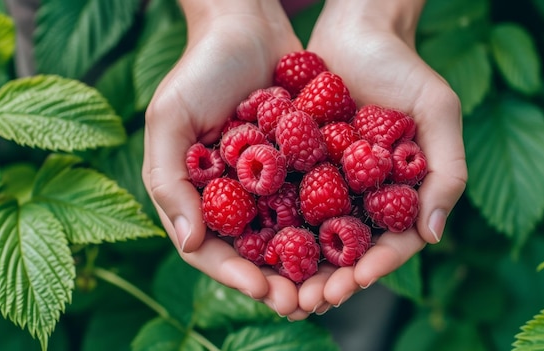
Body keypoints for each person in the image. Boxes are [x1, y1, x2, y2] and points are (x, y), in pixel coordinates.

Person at [142, 0, 467, 321]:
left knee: (367, 309)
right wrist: (228, 14)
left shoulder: (324, 152)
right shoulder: (275, 152)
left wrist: (375, 12)